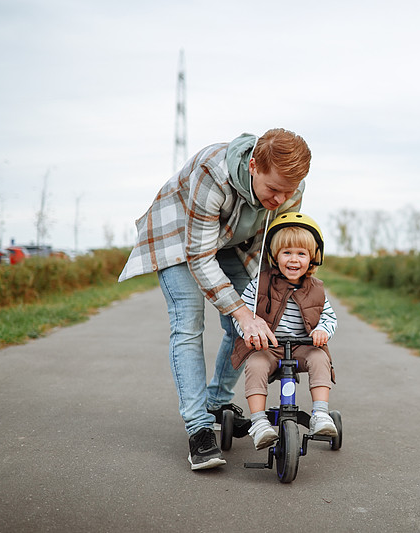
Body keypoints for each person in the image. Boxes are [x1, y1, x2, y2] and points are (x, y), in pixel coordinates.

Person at [119, 128, 311, 470]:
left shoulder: (290, 188)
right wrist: (241, 313)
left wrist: (272, 304)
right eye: (273, 189)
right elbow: (199, 256)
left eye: (289, 191)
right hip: (181, 237)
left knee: (255, 319)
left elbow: (276, 246)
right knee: (189, 322)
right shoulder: (213, 172)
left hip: (234, 243)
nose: (281, 199)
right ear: (253, 166)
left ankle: (217, 403)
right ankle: (199, 430)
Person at [231, 212, 338, 450]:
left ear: (313, 257)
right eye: (286, 252)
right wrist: (250, 333)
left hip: (303, 347)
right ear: (274, 255)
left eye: (301, 254)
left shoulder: (317, 289)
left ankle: (321, 414)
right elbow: (243, 314)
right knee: (256, 364)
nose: (293, 260)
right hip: (268, 347)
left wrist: (322, 330)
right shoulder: (260, 284)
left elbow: (329, 317)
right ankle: (259, 422)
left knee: (320, 358)